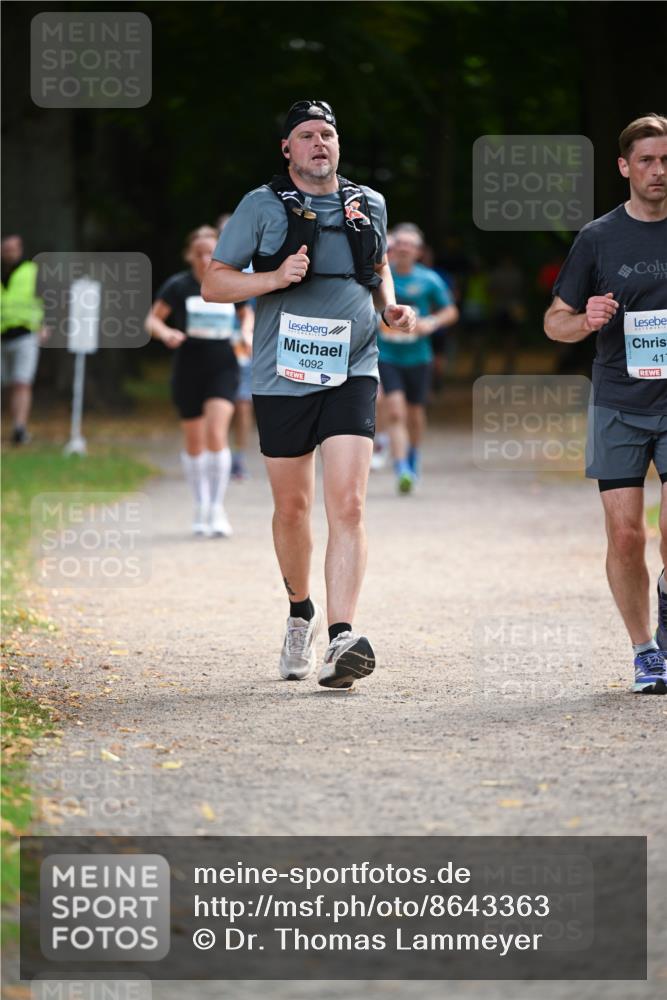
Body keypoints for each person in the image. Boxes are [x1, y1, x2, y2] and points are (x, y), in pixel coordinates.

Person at [202, 99, 415, 688]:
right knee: (292, 508)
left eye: (328, 133)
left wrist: (389, 306)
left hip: (353, 366)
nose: (319, 142)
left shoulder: (366, 202)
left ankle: (342, 636)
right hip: (283, 374)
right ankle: (301, 614)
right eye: (306, 135)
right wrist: (273, 278)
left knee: (348, 505)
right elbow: (214, 282)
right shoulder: (261, 206)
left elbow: (378, 270)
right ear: (287, 149)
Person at [544, 113, 667, 694]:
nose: (658, 170)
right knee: (626, 537)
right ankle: (645, 650)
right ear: (624, 167)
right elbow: (554, 323)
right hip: (618, 400)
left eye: (666, 159)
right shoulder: (598, 237)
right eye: (646, 160)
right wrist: (584, 319)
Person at [145, 226, 252, 537]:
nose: (206, 258)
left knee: (216, 433)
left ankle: (217, 508)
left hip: (223, 366)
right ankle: (200, 505)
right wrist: (165, 333)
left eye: (212, 253)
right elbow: (152, 319)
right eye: (200, 253)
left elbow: (247, 313)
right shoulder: (178, 286)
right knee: (194, 442)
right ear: (190, 255)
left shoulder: (230, 283)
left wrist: (245, 332)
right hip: (188, 367)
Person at [378, 223, 458, 492]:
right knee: (395, 411)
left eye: (409, 245)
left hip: (418, 357)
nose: (403, 248)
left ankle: (413, 454)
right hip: (387, 354)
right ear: (392, 247)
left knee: (414, 412)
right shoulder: (380, 276)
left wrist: (431, 322)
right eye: (399, 243)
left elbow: (450, 311)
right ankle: (401, 468)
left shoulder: (428, 280)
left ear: (418, 252)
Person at [1, 235, 47, 444]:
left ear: (20, 249)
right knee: (8, 384)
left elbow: (49, 298)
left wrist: (46, 324)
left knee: (22, 382)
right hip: (2, 335)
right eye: (5, 249)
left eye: (12, 248)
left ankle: (19, 428)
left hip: (26, 334)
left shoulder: (32, 271)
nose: (9, 252)